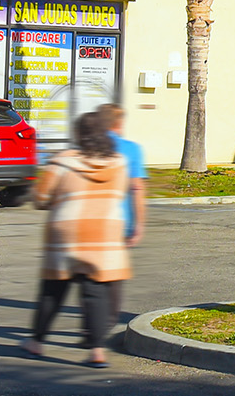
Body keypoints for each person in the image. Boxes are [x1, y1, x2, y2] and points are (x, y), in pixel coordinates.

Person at [21, 110, 129, 366]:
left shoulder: (63, 161)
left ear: (78, 134)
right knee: (96, 292)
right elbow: (121, 193)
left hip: (67, 233)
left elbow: (41, 198)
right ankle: (96, 350)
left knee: (54, 289)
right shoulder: (119, 162)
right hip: (106, 233)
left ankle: (36, 340)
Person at [97, 102, 147, 329]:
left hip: (91, 221)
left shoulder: (88, 147)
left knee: (91, 273)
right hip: (120, 221)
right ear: (119, 123)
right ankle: (108, 318)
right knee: (113, 273)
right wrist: (139, 223)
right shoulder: (131, 149)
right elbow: (136, 188)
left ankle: (94, 318)